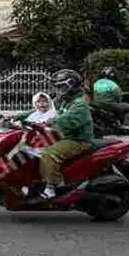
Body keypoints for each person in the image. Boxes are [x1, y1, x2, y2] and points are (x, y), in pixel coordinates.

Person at [35, 69, 94, 200]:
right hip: (62, 136)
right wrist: (18, 118)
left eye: (61, 86)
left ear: (71, 85)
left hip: (78, 140)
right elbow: (42, 110)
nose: (58, 89)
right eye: (57, 86)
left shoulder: (80, 104)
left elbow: (65, 121)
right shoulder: (61, 100)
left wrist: (48, 123)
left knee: (49, 154)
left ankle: (52, 187)